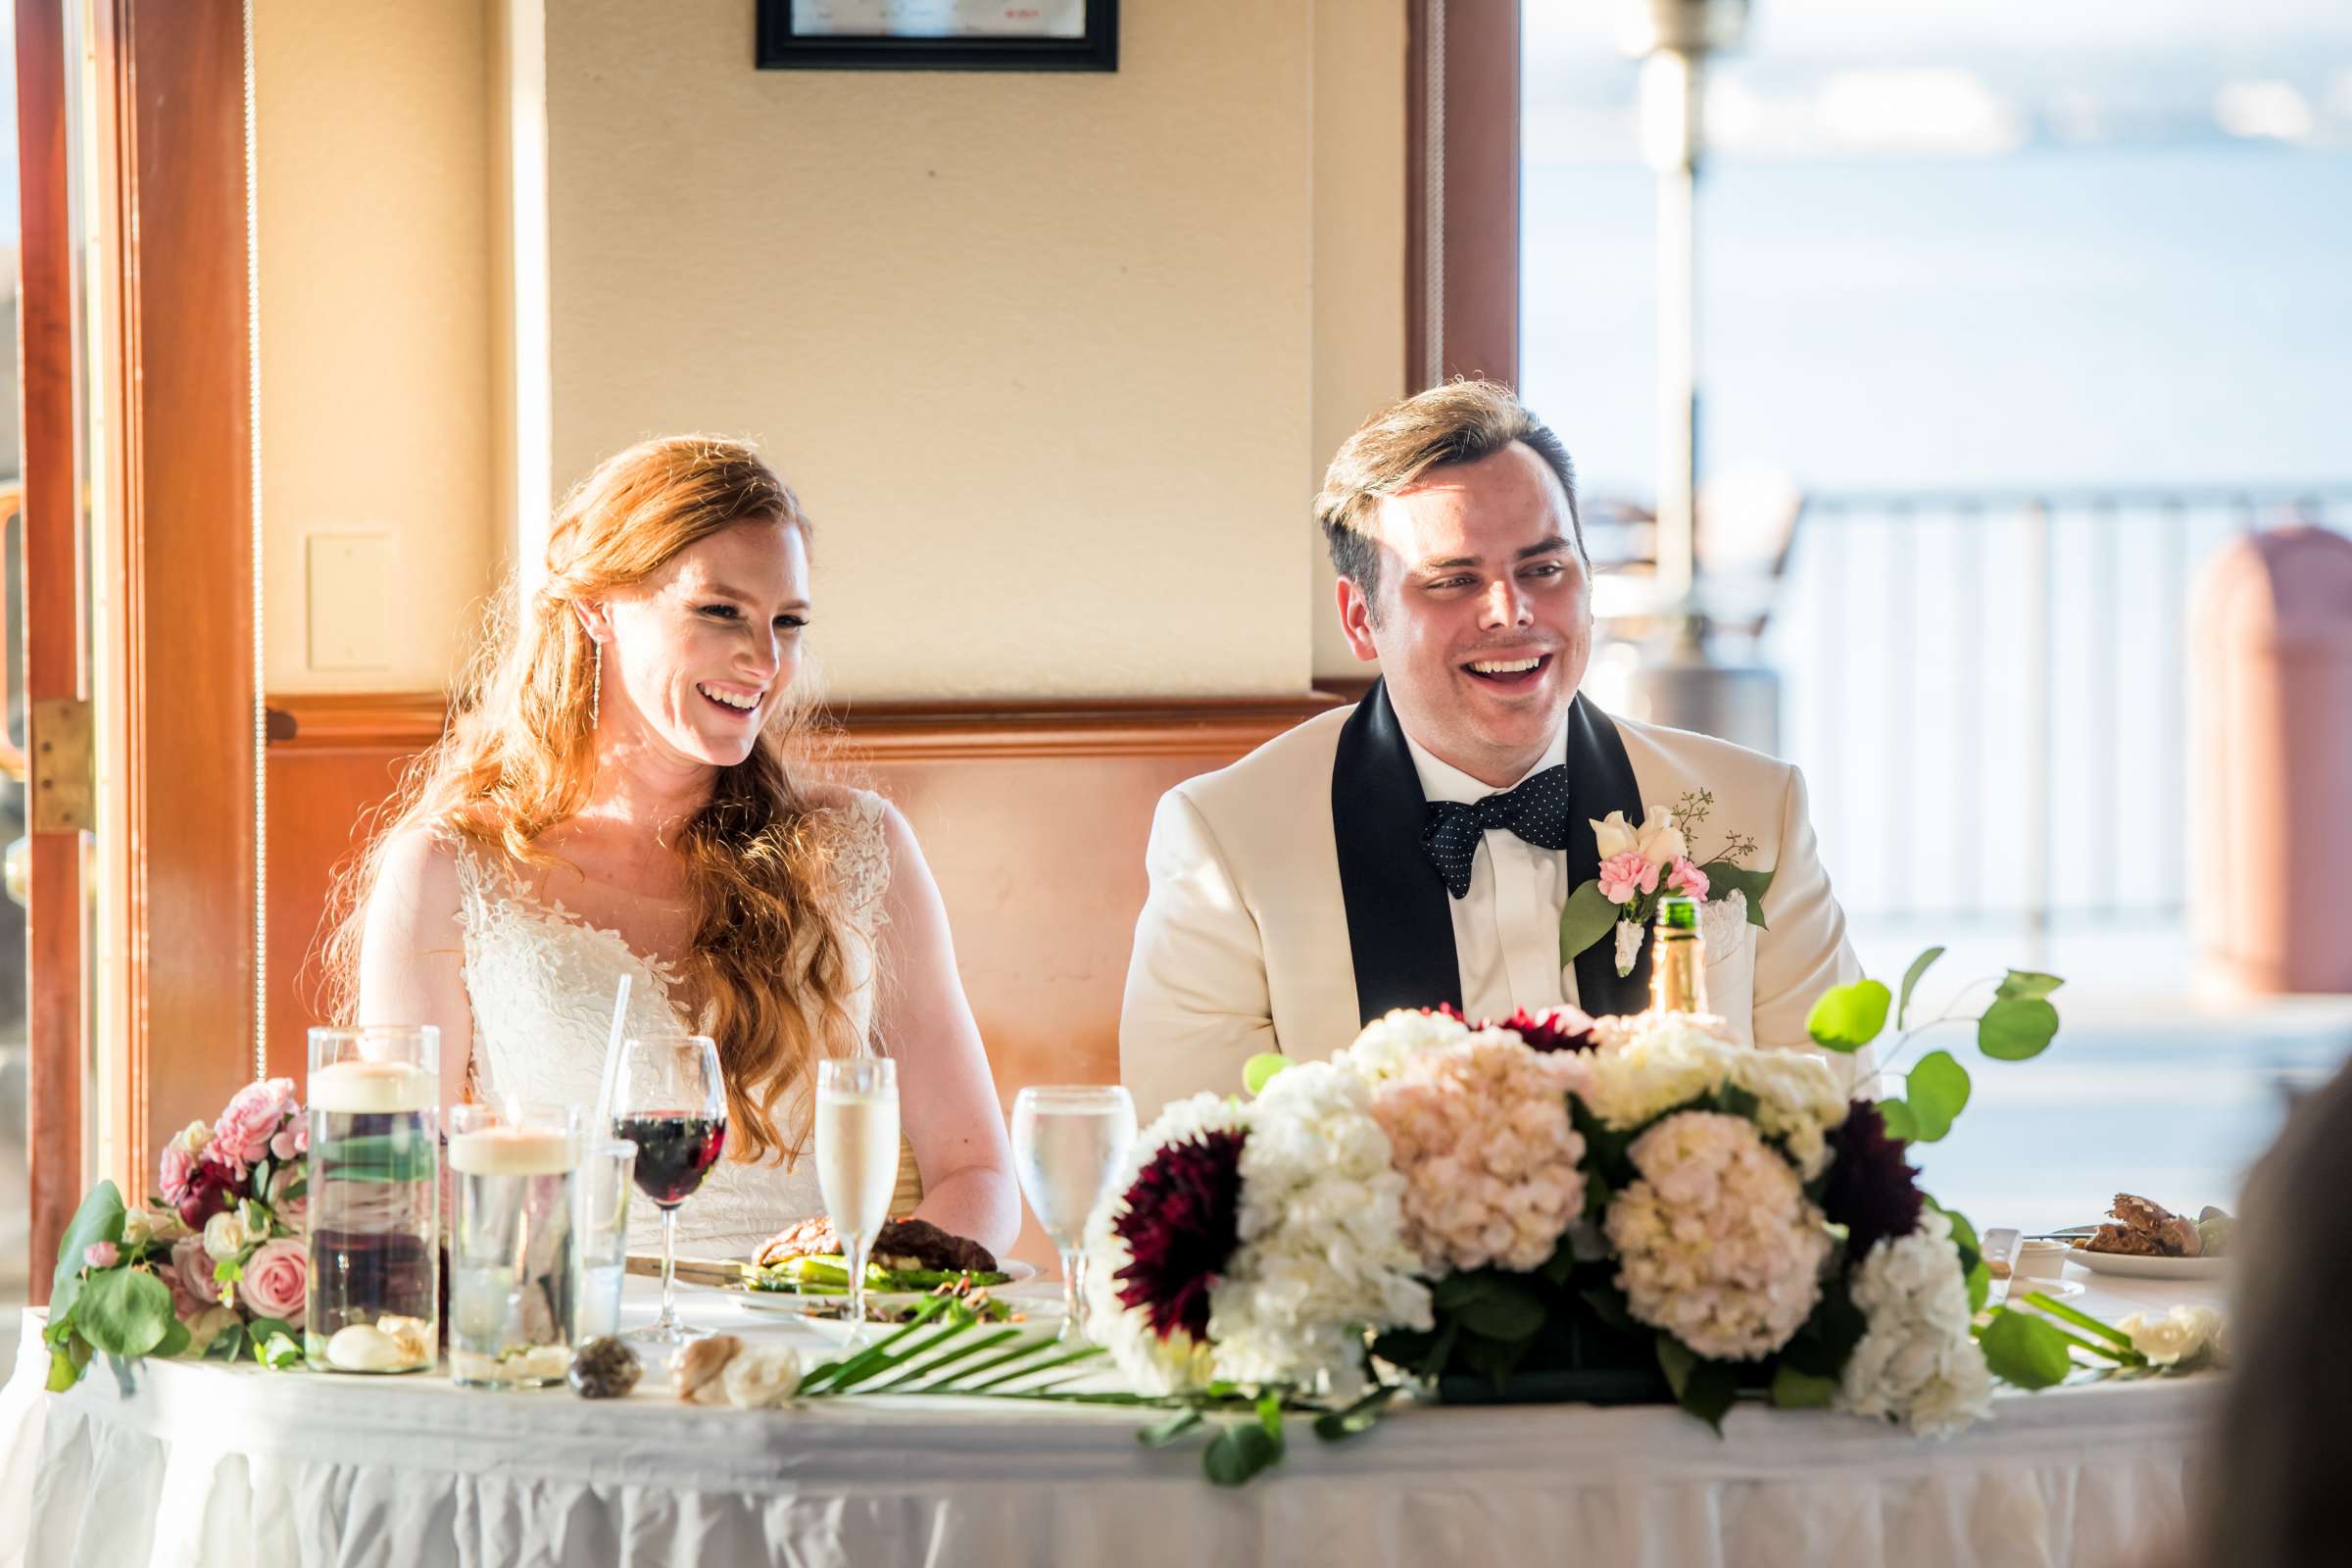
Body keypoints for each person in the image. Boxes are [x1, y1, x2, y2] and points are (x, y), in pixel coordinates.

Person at [329, 435, 1018, 1259]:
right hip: (568, 1354)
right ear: (598, 605)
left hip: (812, 1357)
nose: (764, 660)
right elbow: (402, 1197)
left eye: (787, 623)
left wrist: (880, 1284)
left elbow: (977, 1172)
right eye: (720, 610)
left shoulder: (856, 850)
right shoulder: (450, 868)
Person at [1120, 380, 1862, 1117]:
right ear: (1359, 618)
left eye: (1544, 569)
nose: (1512, 611)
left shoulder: (1755, 812)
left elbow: (1837, 1131)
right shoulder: (1227, 845)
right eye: (1452, 580)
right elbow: (1196, 1175)